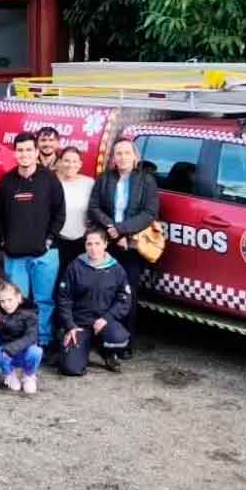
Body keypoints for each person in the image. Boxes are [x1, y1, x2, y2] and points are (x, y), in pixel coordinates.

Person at [0, 132, 65, 351]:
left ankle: (42, 342)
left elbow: (59, 212)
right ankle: (18, 344)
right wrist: (4, 241)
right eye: (20, 150)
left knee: (44, 301)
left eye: (28, 150)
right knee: (16, 303)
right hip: (15, 256)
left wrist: (50, 239)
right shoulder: (6, 181)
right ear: (15, 153)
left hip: (45, 254)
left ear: (36, 152)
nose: (24, 154)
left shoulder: (49, 179)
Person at [88, 137, 158, 357]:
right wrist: (112, 229)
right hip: (107, 244)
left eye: (127, 153)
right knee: (103, 293)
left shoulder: (146, 181)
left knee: (127, 294)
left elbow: (149, 213)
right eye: (118, 153)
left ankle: (125, 342)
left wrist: (123, 230)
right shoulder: (104, 179)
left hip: (132, 245)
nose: (123, 157)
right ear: (113, 158)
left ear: (135, 157)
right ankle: (103, 340)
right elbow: (94, 207)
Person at [57, 228, 132, 375]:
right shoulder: (76, 266)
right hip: (80, 323)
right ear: (85, 245)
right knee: (70, 369)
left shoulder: (116, 268)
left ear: (105, 244)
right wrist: (70, 326)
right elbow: (64, 299)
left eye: (97, 243)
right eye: (89, 244)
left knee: (119, 338)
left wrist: (107, 318)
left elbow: (124, 299)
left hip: (103, 322)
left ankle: (107, 352)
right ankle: (78, 349)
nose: (93, 248)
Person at [0, 281, 41, 395]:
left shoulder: (30, 314)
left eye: (10, 300)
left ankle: (29, 375)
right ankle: (10, 374)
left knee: (36, 352)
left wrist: (11, 349)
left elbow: (31, 336)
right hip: (7, 353)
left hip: (23, 350)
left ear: (19, 298)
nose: (6, 304)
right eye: (2, 301)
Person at [56, 147, 96, 276]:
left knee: (80, 278)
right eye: (66, 161)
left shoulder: (89, 183)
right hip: (58, 241)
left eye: (74, 161)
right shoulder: (54, 184)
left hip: (82, 241)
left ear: (80, 164)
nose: (70, 165)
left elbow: (96, 210)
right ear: (60, 162)